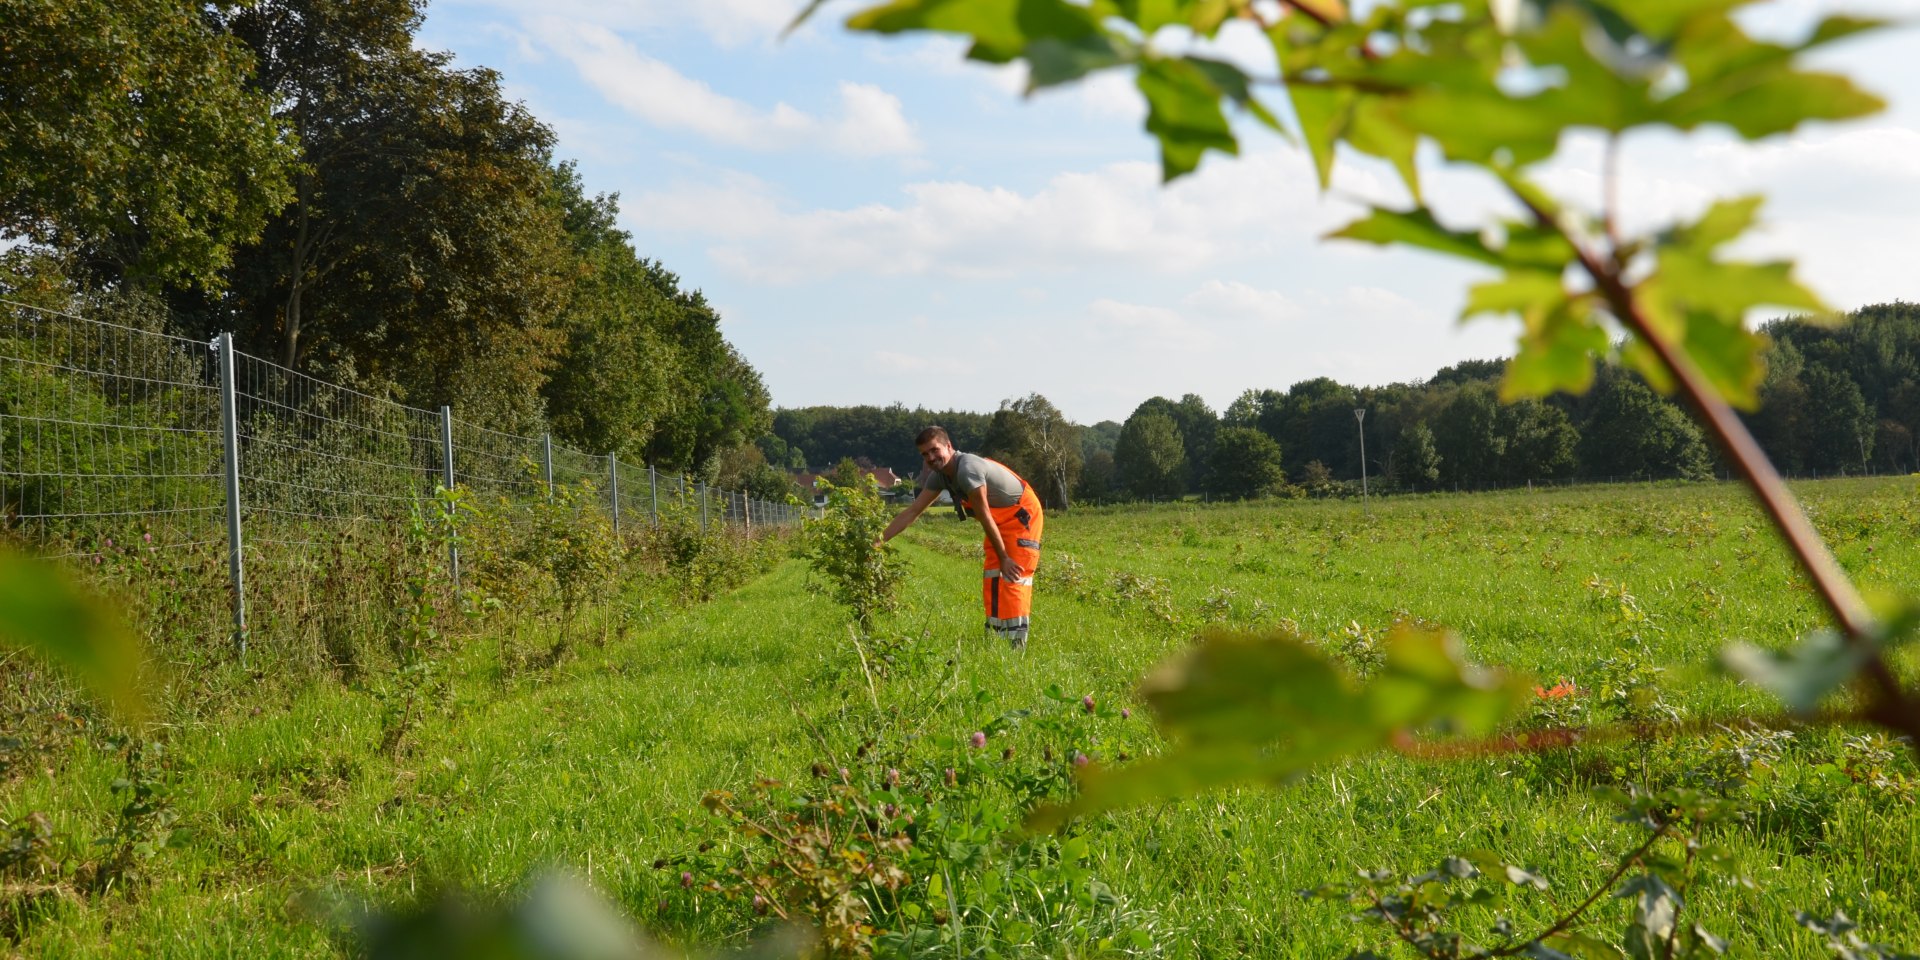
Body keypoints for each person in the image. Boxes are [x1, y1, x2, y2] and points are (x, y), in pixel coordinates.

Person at [877, 426, 1044, 648]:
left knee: (1013, 577)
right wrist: (877, 542)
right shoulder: (939, 477)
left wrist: (1005, 556)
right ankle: (995, 641)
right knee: (993, 576)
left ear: (949, 446)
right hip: (998, 521)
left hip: (1022, 516)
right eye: (925, 454)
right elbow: (912, 511)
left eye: (934, 450)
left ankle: (1015, 645)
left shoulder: (968, 470)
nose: (931, 457)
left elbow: (984, 515)